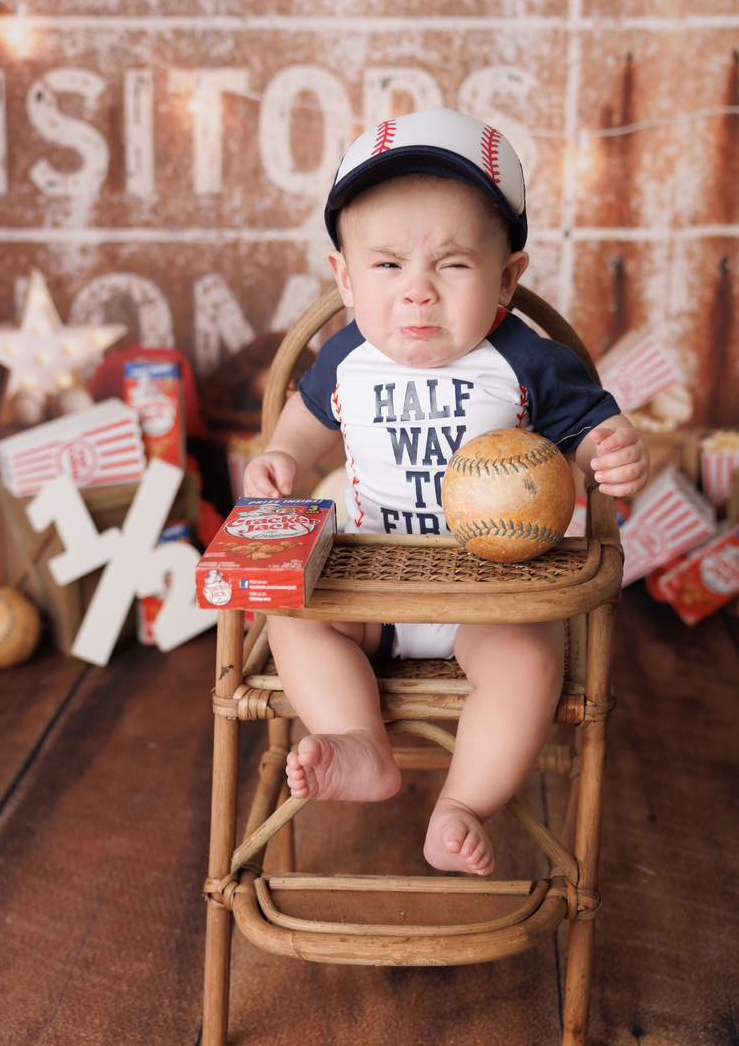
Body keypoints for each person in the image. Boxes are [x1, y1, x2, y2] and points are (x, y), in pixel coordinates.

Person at [244, 108, 649, 877]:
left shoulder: (527, 360)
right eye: (388, 266)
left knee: (532, 663)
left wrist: (617, 452)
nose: (418, 294)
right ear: (344, 277)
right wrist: (280, 459)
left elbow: (594, 429)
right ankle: (361, 744)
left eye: (454, 266)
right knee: (293, 621)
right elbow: (302, 425)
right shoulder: (348, 358)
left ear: (507, 278)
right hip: (369, 580)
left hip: (492, 594)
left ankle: (464, 801)